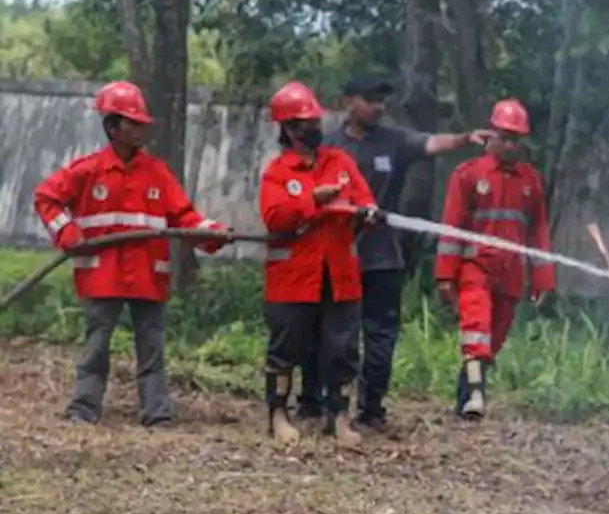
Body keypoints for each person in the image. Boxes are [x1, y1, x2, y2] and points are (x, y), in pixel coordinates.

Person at [296, 77, 492, 432]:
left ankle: (372, 410)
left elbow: (431, 143)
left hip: (382, 258)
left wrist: (465, 139)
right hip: (337, 256)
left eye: (382, 100)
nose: (378, 106)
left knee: (381, 335)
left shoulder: (394, 140)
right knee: (329, 332)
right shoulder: (328, 145)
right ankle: (319, 403)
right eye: (370, 99)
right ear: (349, 101)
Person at [32, 80, 228, 426]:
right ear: (111, 126)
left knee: (151, 348)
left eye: (141, 123)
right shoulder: (87, 170)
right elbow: (47, 198)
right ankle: (83, 408)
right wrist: (68, 231)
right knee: (96, 346)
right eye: (131, 123)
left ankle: (157, 415)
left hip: (148, 275)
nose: (140, 130)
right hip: (102, 274)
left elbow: (184, 217)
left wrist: (210, 233)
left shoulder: (157, 173)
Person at [258, 80, 384, 446]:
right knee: (286, 349)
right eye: (302, 124)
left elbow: (363, 199)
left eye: (314, 121)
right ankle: (278, 414)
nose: (311, 129)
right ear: (287, 129)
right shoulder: (278, 172)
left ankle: (339, 417)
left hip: (339, 276)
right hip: (292, 279)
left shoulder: (341, 163)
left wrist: (367, 212)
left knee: (342, 349)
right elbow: (274, 216)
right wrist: (313, 199)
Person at [434, 98, 555, 419]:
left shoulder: (530, 181)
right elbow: (452, 227)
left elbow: (538, 233)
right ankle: (476, 397)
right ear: (491, 135)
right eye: (504, 137)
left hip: (512, 271)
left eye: (516, 139)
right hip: (477, 266)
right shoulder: (468, 175)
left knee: (495, 338)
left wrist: (543, 278)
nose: (510, 144)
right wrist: (446, 275)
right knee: (477, 330)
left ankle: (467, 394)